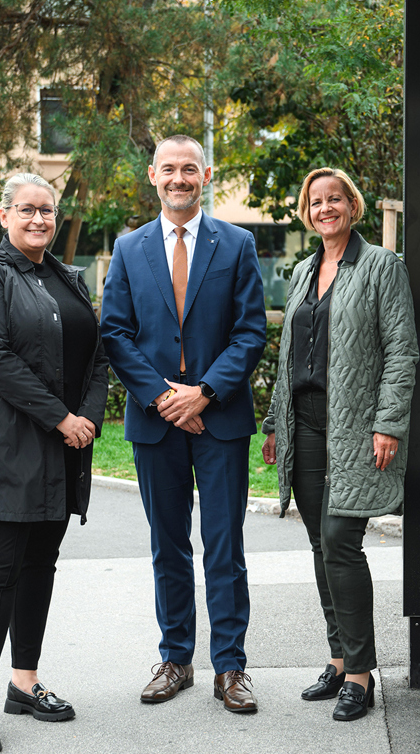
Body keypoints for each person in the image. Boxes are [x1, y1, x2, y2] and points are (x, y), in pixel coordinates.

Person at [100, 135, 267, 713]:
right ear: (153, 175)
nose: (179, 178)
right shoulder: (128, 249)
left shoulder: (238, 243)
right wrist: (163, 397)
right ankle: (176, 659)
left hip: (220, 421)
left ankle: (231, 668)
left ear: (207, 174)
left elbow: (250, 333)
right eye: (168, 169)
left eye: (189, 169)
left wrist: (204, 394)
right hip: (155, 424)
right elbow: (115, 333)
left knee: (224, 548)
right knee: (168, 547)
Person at [0, 173, 109, 753]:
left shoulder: (66, 277)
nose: (39, 219)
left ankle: (25, 682)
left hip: (63, 445)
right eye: (27, 210)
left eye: (47, 211)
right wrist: (60, 418)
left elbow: (98, 355)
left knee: (41, 563)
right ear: (4, 215)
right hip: (7, 443)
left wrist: (87, 418)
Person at [261, 168, 419, 721]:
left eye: (335, 199)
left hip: (354, 426)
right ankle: (337, 658)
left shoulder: (381, 266)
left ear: (353, 204)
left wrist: (388, 423)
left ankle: (360, 673)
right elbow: (288, 356)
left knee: (340, 541)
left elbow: (402, 351)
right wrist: (276, 422)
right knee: (317, 544)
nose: (325, 208)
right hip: (304, 425)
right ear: (307, 211)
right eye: (315, 201)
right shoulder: (304, 269)